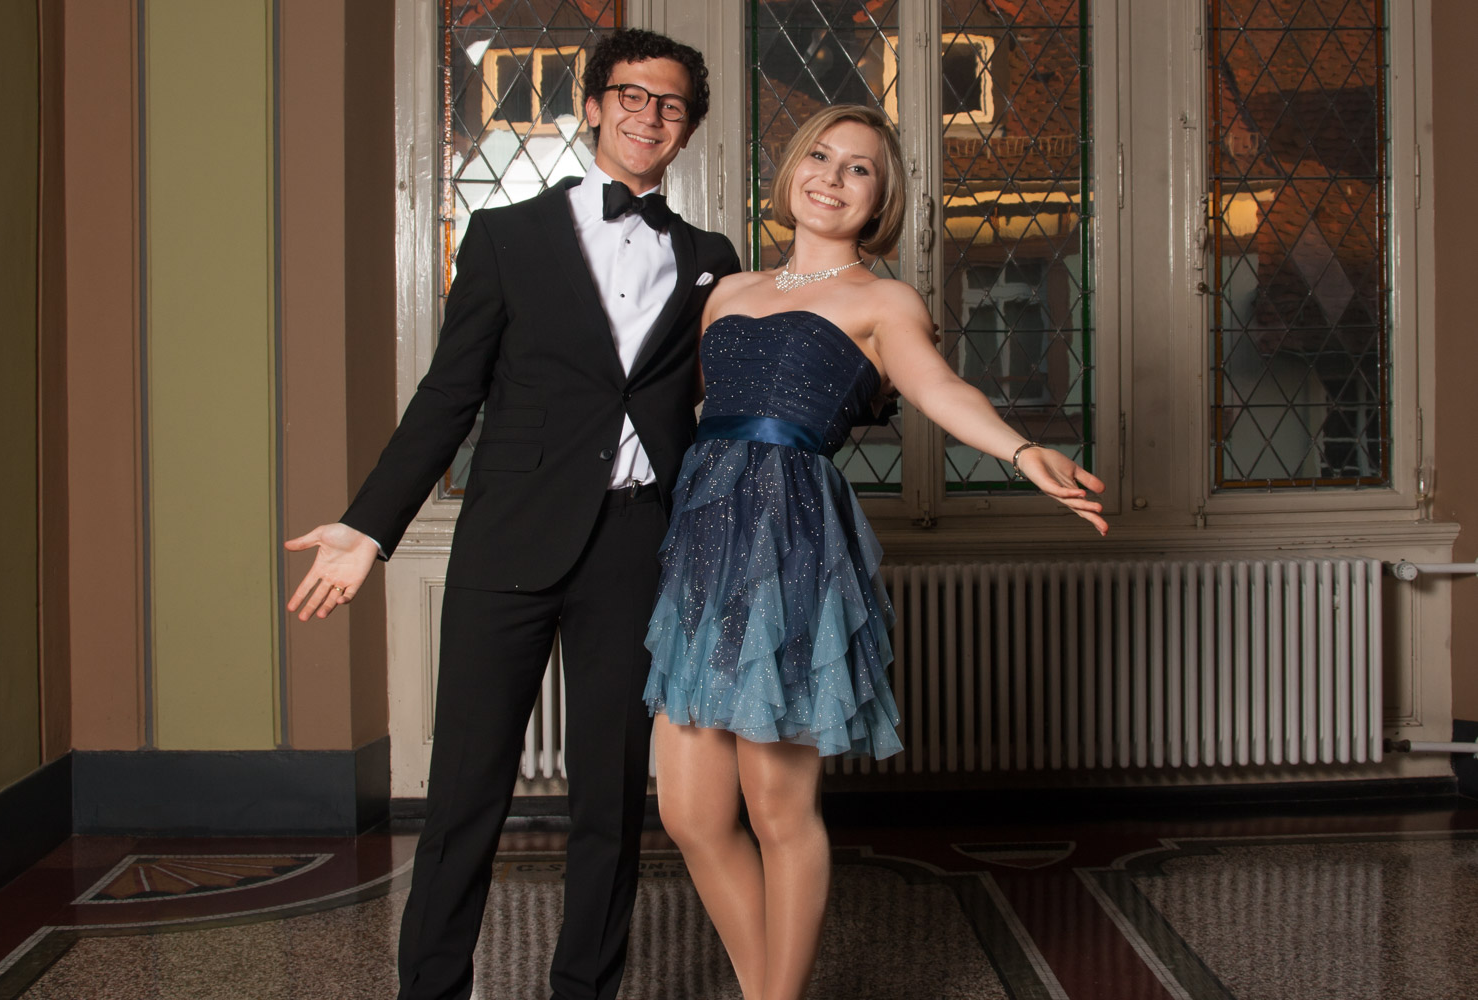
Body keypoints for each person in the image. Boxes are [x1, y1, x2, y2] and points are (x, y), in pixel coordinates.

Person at [283, 29, 740, 1000]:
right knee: (465, 792)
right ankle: (431, 989)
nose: (649, 115)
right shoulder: (506, 236)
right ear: (593, 107)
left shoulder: (711, 259)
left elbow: (733, 398)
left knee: (611, 801)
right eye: (631, 95)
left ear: (688, 128)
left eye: (670, 104)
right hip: (509, 542)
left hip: (638, 545)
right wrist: (368, 527)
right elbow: (449, 395)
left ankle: (586, 988)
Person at [642, 104, 1109, 1000]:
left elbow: (939, 386)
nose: (832, 176)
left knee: (779, 809)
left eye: (858, 168)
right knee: (691, 815)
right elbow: (674, 410)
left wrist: (1020, 450)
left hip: (789, 547)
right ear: (790, 171)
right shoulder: (727, 291)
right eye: (820, 156)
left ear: (881, 198)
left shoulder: (885, 301)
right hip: (703, 546)